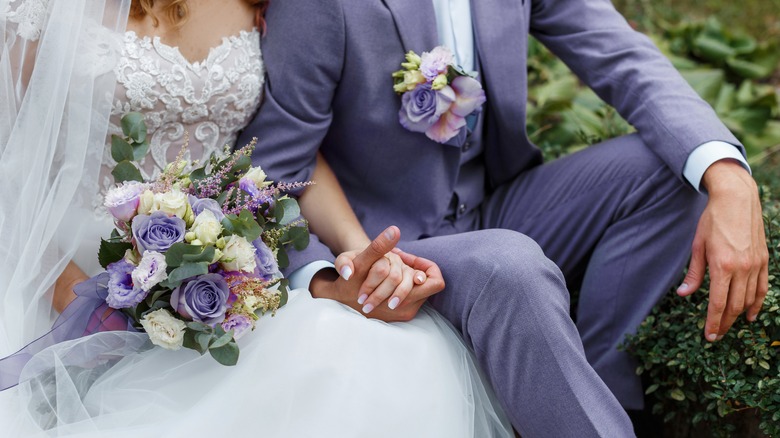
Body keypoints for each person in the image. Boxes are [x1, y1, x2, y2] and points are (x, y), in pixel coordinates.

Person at [242, 0, 770, 436]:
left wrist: (728, 174)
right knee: (507, 264)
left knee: (674, 167)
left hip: (494, 205)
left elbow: (620, 54)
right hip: (383, 246)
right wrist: (329, 276)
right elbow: (276, 166)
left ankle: (601, 392)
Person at [0, 0, 514, 436]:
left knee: (364, 353)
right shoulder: (47, 9)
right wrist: (68, 293)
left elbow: (291, 157)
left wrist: (356, 251)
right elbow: (9, 157)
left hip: (221, 274)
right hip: (59, 261)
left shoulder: (266, 3)